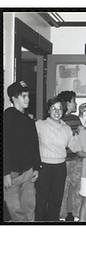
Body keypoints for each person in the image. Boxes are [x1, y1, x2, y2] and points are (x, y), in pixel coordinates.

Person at [35, 96, 77, 221]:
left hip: (60, 167)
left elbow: (74, 147)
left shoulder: (66, 129)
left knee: (56, 200)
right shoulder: (39, 125)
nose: (57, 111)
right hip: (44, 166)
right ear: (48, 110)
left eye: (60, 109)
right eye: (54, 108)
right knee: (40, 200)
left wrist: (81, 133)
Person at [4, 80, 41, 221]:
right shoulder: (8, 116)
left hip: (28, 171)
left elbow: (34, 145)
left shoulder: (28, 118)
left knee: (29, 207)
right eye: (23, 96)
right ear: (14, 98)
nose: (27, 99)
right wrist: (5, 172)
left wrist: (36, 168)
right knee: (15, 209)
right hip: (11, 173)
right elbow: (4, 146)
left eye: (28, 96)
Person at [57, 91, 83, 222]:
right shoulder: (60, 120)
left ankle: (72, 217)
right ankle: (69, 216)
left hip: (76, 159)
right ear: (67, 103)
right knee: (68, 190)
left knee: (72, 190)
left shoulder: (76, 119)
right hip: (65, 161)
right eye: (73, 100)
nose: (75, 103)